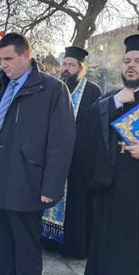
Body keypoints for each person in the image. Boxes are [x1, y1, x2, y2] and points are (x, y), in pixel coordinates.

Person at [0, 33, 76, 275]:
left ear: (26, 55)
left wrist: (51, 186)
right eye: (0, 59)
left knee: (25, 250)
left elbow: (61, 142)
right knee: (1, 248)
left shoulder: (52, 89)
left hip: (25, 182)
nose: (3, 64)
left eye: (8, 58)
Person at [84, 34, 139, 275]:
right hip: (111, 190)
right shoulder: (112, 97)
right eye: (127, 60)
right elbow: (84, 132)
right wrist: (114, 103)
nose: (131, 65)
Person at [41, 46, 102, 258]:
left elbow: (96, 127)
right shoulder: (54, 88)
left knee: (76, 204)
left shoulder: (93, 91)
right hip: (53, 157)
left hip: (79, 160)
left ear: (80, 68)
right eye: (64, 64)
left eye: (71, 65)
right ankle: (48, 242)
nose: (66, 69)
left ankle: (72, 247)